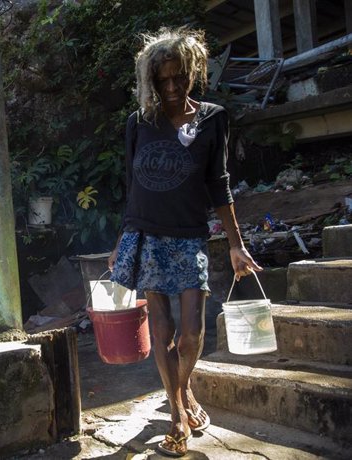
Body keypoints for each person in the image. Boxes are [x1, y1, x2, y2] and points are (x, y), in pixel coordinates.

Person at [107, 28, 262, 457]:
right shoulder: (139, 121)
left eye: (180, 78)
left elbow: (220, 183)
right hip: (147, 234)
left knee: (192, 332)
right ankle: (177, 410)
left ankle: (184, 384)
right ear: (150, 80)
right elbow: (132, 183)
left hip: (189, 234)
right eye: (162, 80)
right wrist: (124, 237)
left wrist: (236, 243)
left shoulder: (213, 118)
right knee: (162, 327)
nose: (172, 88)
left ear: (194, 72)